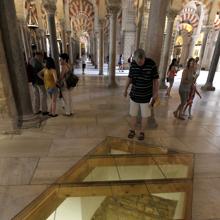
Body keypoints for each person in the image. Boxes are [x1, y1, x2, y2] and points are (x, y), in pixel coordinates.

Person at [124, 49, 159, 140]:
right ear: (134, 59)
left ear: (144, 57)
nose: (139, 63)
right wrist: (125, 89)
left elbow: (155, 80)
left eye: (141, 61)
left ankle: (142, 132)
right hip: (134, 95)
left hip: (146, 97)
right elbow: (129, 78)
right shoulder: (133, 64)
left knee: (145, 116)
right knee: (133, 114)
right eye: (137, 61)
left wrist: (156, 93)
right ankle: (132, 130)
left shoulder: (151, 64)